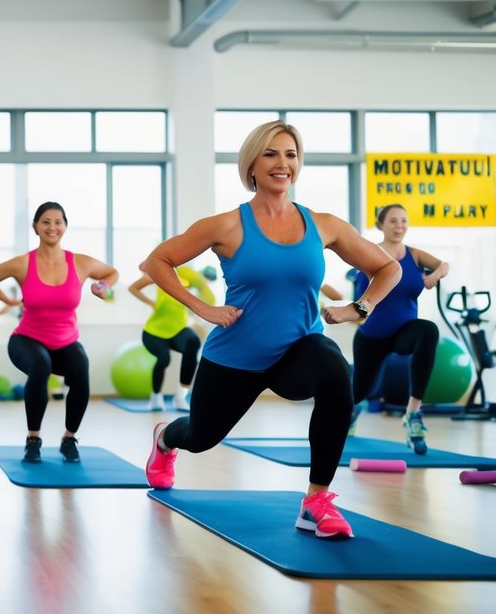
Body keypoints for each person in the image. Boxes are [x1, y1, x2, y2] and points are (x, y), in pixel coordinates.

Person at [141, 120, 400, 540]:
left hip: (297, 353)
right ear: (252, 166)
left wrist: (359, 307)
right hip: (235, 357)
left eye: (291, 155)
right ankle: (166, 439)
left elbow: (387, 267)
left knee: (336, 371)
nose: (283, 163)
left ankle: (316, 501)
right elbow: (156, 262)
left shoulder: (324, 225)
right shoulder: (226, 225)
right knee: (201, 436)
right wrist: (202, 307)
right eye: (271, 154)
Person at [0, 202, 118, 464]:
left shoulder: (80, 263)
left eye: (58, 221)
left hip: (65, 342)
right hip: (26, 340)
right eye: (45, 221)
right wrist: (9, 302)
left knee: (81, 367)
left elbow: (112, 273)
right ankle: (33, 439)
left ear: (65, 226)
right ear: (35, 227)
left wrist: (103, 288)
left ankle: (69, 439)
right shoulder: (23, 263)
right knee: (40, 365)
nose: (52, 227)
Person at [348, 203, 449, 451]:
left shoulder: (414, 255)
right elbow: (360, 296)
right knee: (359, 393)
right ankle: (351, 413)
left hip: (405, 332)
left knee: (429, 330)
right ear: (381, 224)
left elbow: (443, 265)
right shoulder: (369, 253)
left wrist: (433, 276)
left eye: (403, 221)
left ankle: (413, 414)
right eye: (393, 221)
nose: (399, 226)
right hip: (372, 336)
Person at [127, 266, 214, 411]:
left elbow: (209, 296)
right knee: (164, 358)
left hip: (178, 330)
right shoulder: (159, 273)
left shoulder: (188, 279)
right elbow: (133, 288)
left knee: (193, 342)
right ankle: (156, 398)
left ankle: (180, 397)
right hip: (154, 331)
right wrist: (151, 303)